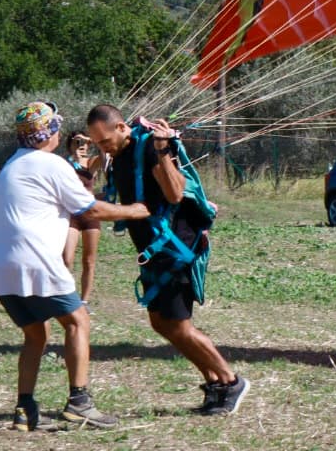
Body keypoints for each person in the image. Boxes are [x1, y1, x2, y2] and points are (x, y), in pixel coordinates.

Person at [0, 101, 149, 431]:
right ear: (50, 133)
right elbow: (90, 210)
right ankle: (79, 402)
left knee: (36, 334)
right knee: (78, 322)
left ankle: (24, 409)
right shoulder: (51, 165)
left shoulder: (12, 164)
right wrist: (136, 210)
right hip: (35, 260)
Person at [85, 104, 249, 416]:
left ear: (121, 127)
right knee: (161, 322)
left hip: (176, 249)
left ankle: (230, 381)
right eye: (97, 143)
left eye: (105, 140)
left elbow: (174, 194)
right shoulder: (118, 156)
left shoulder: (150, 148)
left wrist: (162, 150)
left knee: (180, 325)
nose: (102, 147)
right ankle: (214, 383)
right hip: (154, 254)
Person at [63, 131, 105, 301]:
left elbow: (105, 157)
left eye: (84, 142)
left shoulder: (91, 163)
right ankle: (67, 296)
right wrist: (73, 155)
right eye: (77, 142)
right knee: (66, 259)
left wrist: (94, 140)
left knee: (89, 261)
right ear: (70, 145)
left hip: (89, 214)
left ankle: (84, 300)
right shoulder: (64, 164)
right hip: (71, 214)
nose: (82, 146)